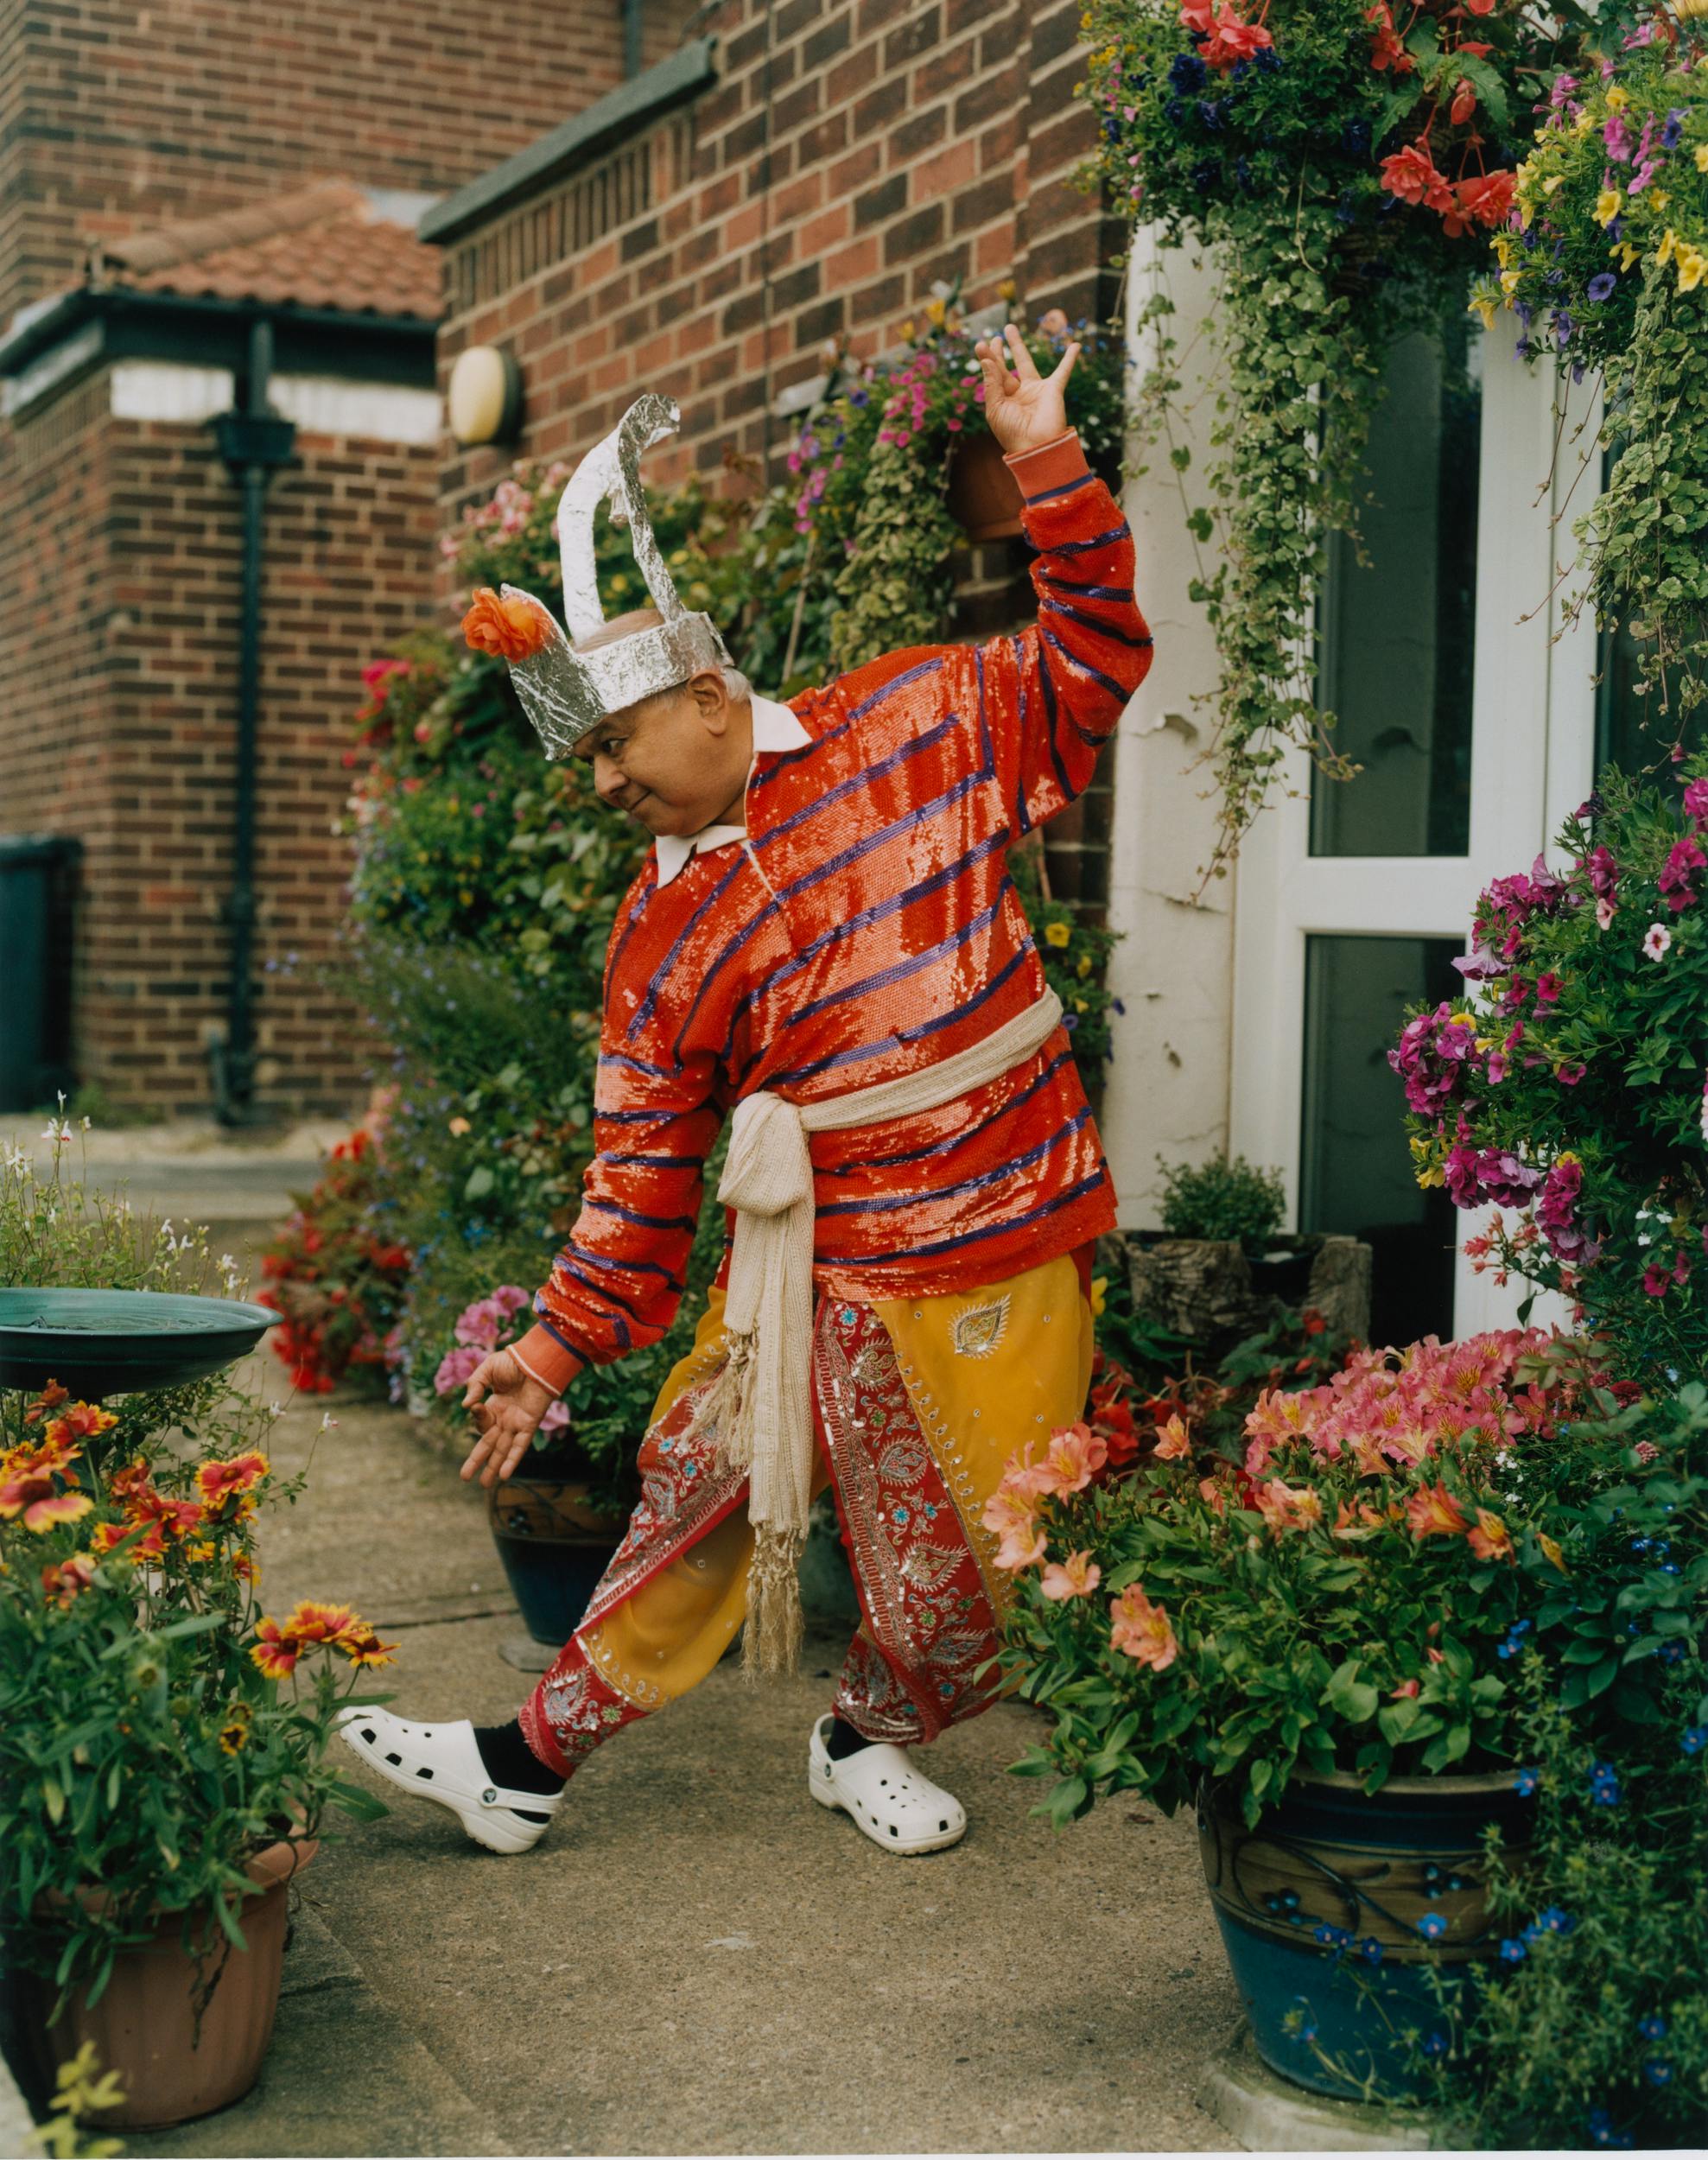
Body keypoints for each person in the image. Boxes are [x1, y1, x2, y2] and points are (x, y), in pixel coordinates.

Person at [340, 326, 1152, 1858]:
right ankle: (521, 1762)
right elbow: (639, 1176)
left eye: (614, 743)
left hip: (1015, 1217)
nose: (600, 784)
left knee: (987, 1554)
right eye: (581, 761)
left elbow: (1093, 660)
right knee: (693, 1498)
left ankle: (864, 1738)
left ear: (710, 693)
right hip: (816, 1266)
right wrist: (551, 1346)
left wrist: (1045, 464)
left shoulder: (920, 716)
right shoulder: (652, 938)